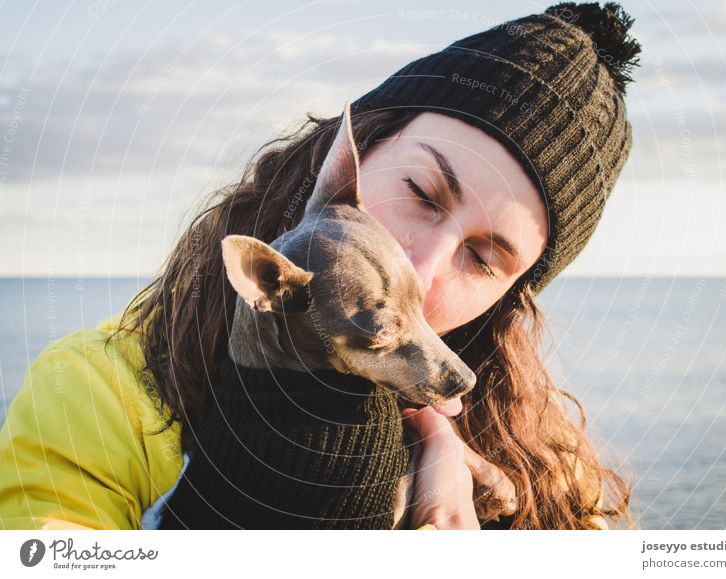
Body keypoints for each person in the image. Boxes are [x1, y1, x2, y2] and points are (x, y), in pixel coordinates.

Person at [0, 2, 641, 530]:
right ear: (346, 163)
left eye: (481, 258)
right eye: (421, 193)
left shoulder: (543, 464)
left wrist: (436, 441)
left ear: (506, 299)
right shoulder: (95, 393)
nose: (417, 265)